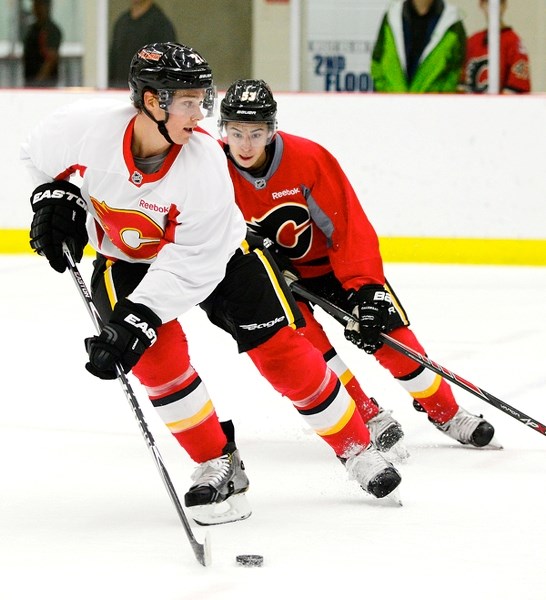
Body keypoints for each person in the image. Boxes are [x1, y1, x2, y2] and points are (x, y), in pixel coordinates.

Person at [22, 42, 402, 527]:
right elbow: (35, 155)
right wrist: (54, 196)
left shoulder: (204, 166)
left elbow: (192, 264)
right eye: (187, 101)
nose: (200, 112)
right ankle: (216, 462)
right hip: (125, 259)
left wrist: (143, 315)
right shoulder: (80, 127)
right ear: (151, 102)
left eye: (203, 99)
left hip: (221, 257)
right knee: (155, 360)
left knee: (282, 349)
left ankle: (355, 447)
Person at [217, 78, 497, 452]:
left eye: (256, 132)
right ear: (223, 131)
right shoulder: (212, 169)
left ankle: (446, 411)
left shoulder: (309, 159)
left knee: (392, 339)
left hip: (334, 270)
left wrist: (366, 288)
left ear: (271, 130)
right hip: (276, 280)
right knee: (312, 353)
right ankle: (367, 414)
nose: (246, 144)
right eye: (236, 133)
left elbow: (347, 227)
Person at [371, 0, 466, 92]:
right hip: (393, 104)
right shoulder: (392, 16)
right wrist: (385, 92)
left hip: (433, 106)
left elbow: (457, 69)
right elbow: (377, 61)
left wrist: (440, 97)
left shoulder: (452, 21)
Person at [460, 0, 531, 93]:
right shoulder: (472, 41)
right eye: (488, 2)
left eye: (500, 3)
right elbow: (461, 83)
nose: (494, 8)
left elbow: (518, 87)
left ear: (504, 5)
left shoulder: (513, 42)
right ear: (481, 5)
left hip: (502, 106)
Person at [108, 0, 177, 88]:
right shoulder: (122, 22)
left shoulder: (161, 26)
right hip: (119, 91)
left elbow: (166, 68)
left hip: (146, 93)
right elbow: (113, 62)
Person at [22, 0, 62, 87]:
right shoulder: (32, 29)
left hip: (45, 84)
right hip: (30, 80)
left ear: (46, 7)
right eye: (35, 4)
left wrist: (38, 82)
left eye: (39, 4)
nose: (36, 8)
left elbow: (51, 60)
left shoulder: (51, 30)